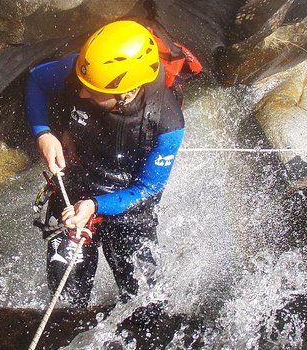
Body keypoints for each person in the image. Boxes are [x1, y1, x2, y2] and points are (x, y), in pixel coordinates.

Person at [26, 20, 198, 306]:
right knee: (66, 301)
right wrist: (43, 133)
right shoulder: (85, 72)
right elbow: (36, 80)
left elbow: (148, 188)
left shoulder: (167, 123)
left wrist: (95, 205)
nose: (81, 94)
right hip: (74, 192)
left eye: (93, 92)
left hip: (130, 207)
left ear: (126, 91)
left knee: (147, 306)